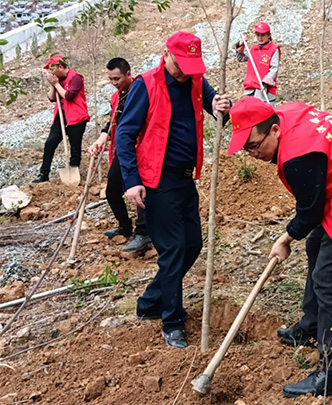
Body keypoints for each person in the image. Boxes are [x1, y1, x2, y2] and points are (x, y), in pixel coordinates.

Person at [227, 96, 332, 398]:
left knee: (328, 282)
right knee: (317, 244)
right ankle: (312, 324)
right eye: (245, 148)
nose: (251, 154)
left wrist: (284, 239)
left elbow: (310, 212)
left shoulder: (297, 156)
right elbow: (313, 210)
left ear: (275, 130)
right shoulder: (284, 115)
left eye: (253, 145)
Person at [115, 32, 230, 349]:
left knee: (192, 244)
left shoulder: (195, 78)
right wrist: (131, 180)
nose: (186, 72)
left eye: (192, 66)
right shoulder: (146, 84)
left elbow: (213, 105)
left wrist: (221, 104)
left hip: (184, 177)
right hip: (156, 179)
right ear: (167, 55)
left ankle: (150, 301)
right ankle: (172, 322)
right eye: (181, 65)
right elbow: (124, 135)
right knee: (173, 249)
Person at [88, 58, 152, 253]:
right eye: (110, 79)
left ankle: (144, 233)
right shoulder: (117, 97)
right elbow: (112, 122)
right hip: (121, 150)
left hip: (140, 149)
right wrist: (101, 140)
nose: (114, 82)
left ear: (128, 73)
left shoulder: (140, 92)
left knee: (140, 191)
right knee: (112, 190)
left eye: (117, 78)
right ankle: (125, 226)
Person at [33, 54, 90, 183]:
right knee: (50, 143)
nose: (51, 72)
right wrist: (53, 85)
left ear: (60, 66)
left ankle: (74, 174)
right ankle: (43, 173)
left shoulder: (76, 78)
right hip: (61, 116)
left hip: (76, 118)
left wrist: (57, 84)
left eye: (52, 69)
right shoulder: (57, 80)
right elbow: (52, 98)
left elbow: (69, 96)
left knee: (75, 148)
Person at [235, 22, 280, 106]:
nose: (260, 38)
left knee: (267, 117)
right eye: (258, 35)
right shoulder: (253, 49)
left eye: (262, 35)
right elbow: (240, 58)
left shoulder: (274, 49)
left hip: (264, 91)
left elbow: (274, 68)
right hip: (250, 90)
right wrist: (240, 47)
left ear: (268, 35)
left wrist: (265, 82)